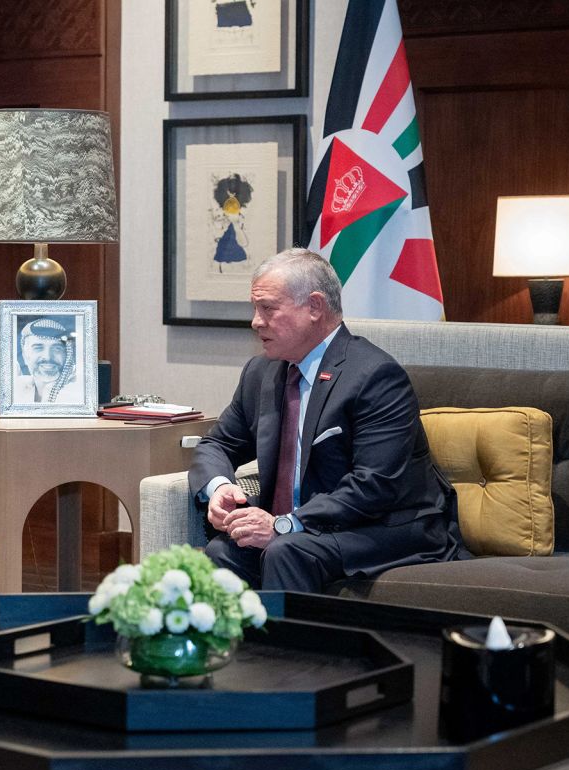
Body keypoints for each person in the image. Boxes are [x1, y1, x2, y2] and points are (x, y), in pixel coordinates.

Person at [188, 248, 467, 593]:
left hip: (383, 526)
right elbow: (218, 444)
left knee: (286, 551)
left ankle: (290, 649)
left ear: (314, 307)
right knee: (223, 552)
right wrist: (220, 488)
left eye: (268, 308)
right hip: (306, 529)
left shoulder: (374, 375)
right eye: (255, 308)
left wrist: (286, 525)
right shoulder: (262, 372)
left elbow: (373, 485)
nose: (256, 321)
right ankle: (236, 648)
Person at [13, 317, 83, 404]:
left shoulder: (76, 393)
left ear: (67, 355)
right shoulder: (17, 388)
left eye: (57, 348)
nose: (48, 357)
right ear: (25, 356)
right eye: (38, 348)